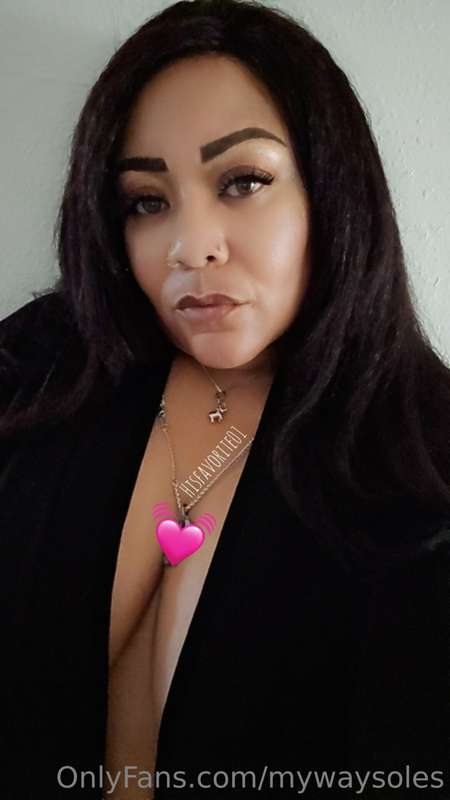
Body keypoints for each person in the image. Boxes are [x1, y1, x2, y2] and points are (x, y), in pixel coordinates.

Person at [1, 1, 449, 797]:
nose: (191, 245)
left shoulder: (425, 453)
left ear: (330, 190)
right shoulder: (42, 365)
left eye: (243, 182)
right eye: (147, 200)